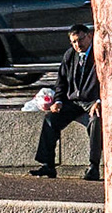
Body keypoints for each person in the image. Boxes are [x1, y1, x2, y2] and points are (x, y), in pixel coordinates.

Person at [29, 23, 101, 180]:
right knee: (50, 120)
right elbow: (61, 82)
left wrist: (99, 101)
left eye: (80, 40)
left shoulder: (98, 54)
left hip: (92, 100)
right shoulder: (70, 55)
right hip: (73, 101)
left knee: (95, 122)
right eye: (74, 42)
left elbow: (107, 81)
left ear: (89, 36)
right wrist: (59, 100)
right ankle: (48, 165)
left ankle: (94, 166)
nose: (78, 45)